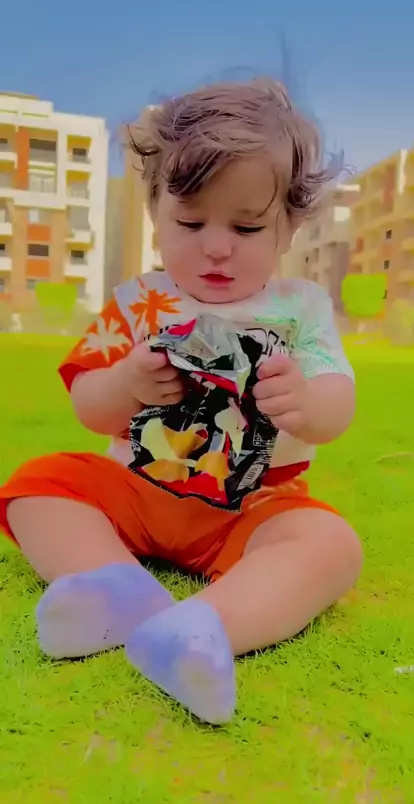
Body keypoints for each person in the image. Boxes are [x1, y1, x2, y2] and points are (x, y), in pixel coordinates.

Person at [0, 79, 362, 724]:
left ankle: (201, 628)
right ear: (156, 214)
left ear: (288, 228)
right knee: (38, 486)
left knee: (330, 545)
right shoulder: (141, 300)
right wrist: (126, 386)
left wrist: (306, 400)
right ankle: (115, 590)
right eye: (191, 222)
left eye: (247, 226)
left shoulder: (299, 310)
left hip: (253, 504)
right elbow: (89, 404)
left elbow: (337, 403)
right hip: (136, 489)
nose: (216, 246)